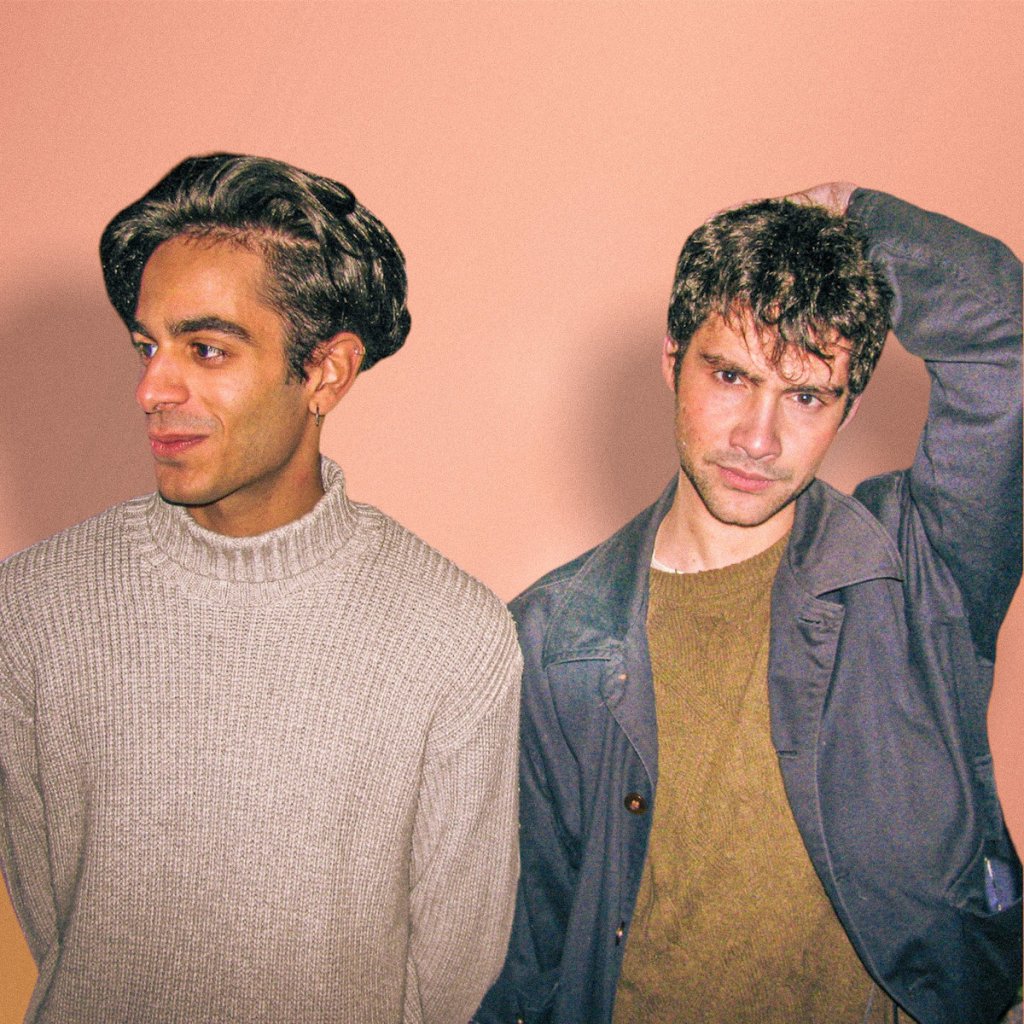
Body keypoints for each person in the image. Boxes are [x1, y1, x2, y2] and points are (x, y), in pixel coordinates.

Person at [476, 184, 1022, 1024]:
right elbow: (529, 955)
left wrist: (854, 207)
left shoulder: (914, 574)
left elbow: (1006, 342)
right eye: (731, 375)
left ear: (848, 411)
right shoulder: (552, 637)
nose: (757, 439)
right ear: (672, 362)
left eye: (806, 396)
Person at [0, 153, 522, 1024]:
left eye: (206, 350)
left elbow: (452, 975)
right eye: (147, 347)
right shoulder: (31, 608)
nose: (151, 389)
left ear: (327, 372)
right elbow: (56, 920)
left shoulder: (451, 634)